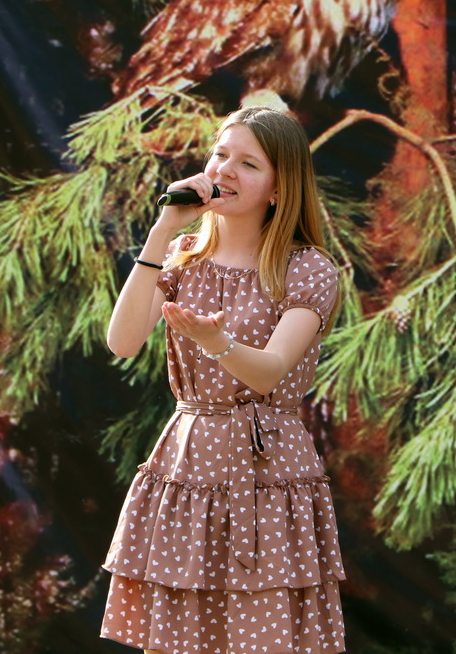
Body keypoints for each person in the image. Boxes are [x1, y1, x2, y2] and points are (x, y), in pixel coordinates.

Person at [100, 107, 346, 654]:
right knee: (179, 635)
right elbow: (122, 341)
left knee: (266, 636)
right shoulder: (183, 256)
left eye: (248, 164)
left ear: (279, 189)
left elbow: (273, 369)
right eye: (220, 155)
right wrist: (163, 231)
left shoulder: (307, 269)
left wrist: (218, 344)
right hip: (189, 464)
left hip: (269, 470)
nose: (225, 170)